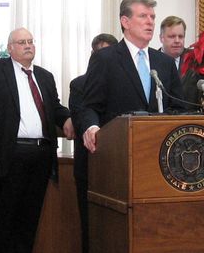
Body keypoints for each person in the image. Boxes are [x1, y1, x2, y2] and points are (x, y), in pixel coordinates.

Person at [0, 27, 75, 253]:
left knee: (30, 216)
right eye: (21, 42)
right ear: (10, 48)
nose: (28, 45)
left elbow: (54, 106)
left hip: (42, 154)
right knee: (5, 216)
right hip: (12, 153)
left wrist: (68, 119)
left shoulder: (44, 76)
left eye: (31, 41)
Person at [81, 0, 185, 154]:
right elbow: (90, 105)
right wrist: (92, 127)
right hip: (118, 150)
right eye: (143, 16)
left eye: (152, 17)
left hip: (161, 149)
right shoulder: (105, 58)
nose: (150, 21)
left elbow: (178, 107)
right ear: (125, 22)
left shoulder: (165, 62)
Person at [69, 33, 118, 253]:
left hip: (120, 166)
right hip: (89, 165)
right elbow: (81, 121)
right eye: (98, 54)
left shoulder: (126, 84)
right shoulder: (79, 84)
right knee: (90, 226)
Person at [159, 16, 204, 110]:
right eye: (172, 36)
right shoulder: (150, 60)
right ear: (161, 38)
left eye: (180, 36)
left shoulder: (196, 60)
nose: (177, 41)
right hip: (160, 121)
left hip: (191, 120)